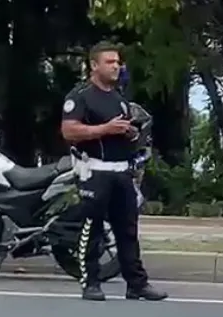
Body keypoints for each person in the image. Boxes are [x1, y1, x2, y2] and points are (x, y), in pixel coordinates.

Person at [60, 41, 168, 302]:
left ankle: (137, 284)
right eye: (110, 62)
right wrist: (104, 129)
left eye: (118, 62)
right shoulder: (80, 96)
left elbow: (121, 129)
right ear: (94, 65)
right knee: (92, 228)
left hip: (122, 172)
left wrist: (130, 133)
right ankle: (91, 283)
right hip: (95, 171)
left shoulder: (118, 98)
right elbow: (69, 130)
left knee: (127, 230)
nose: (116, 66)